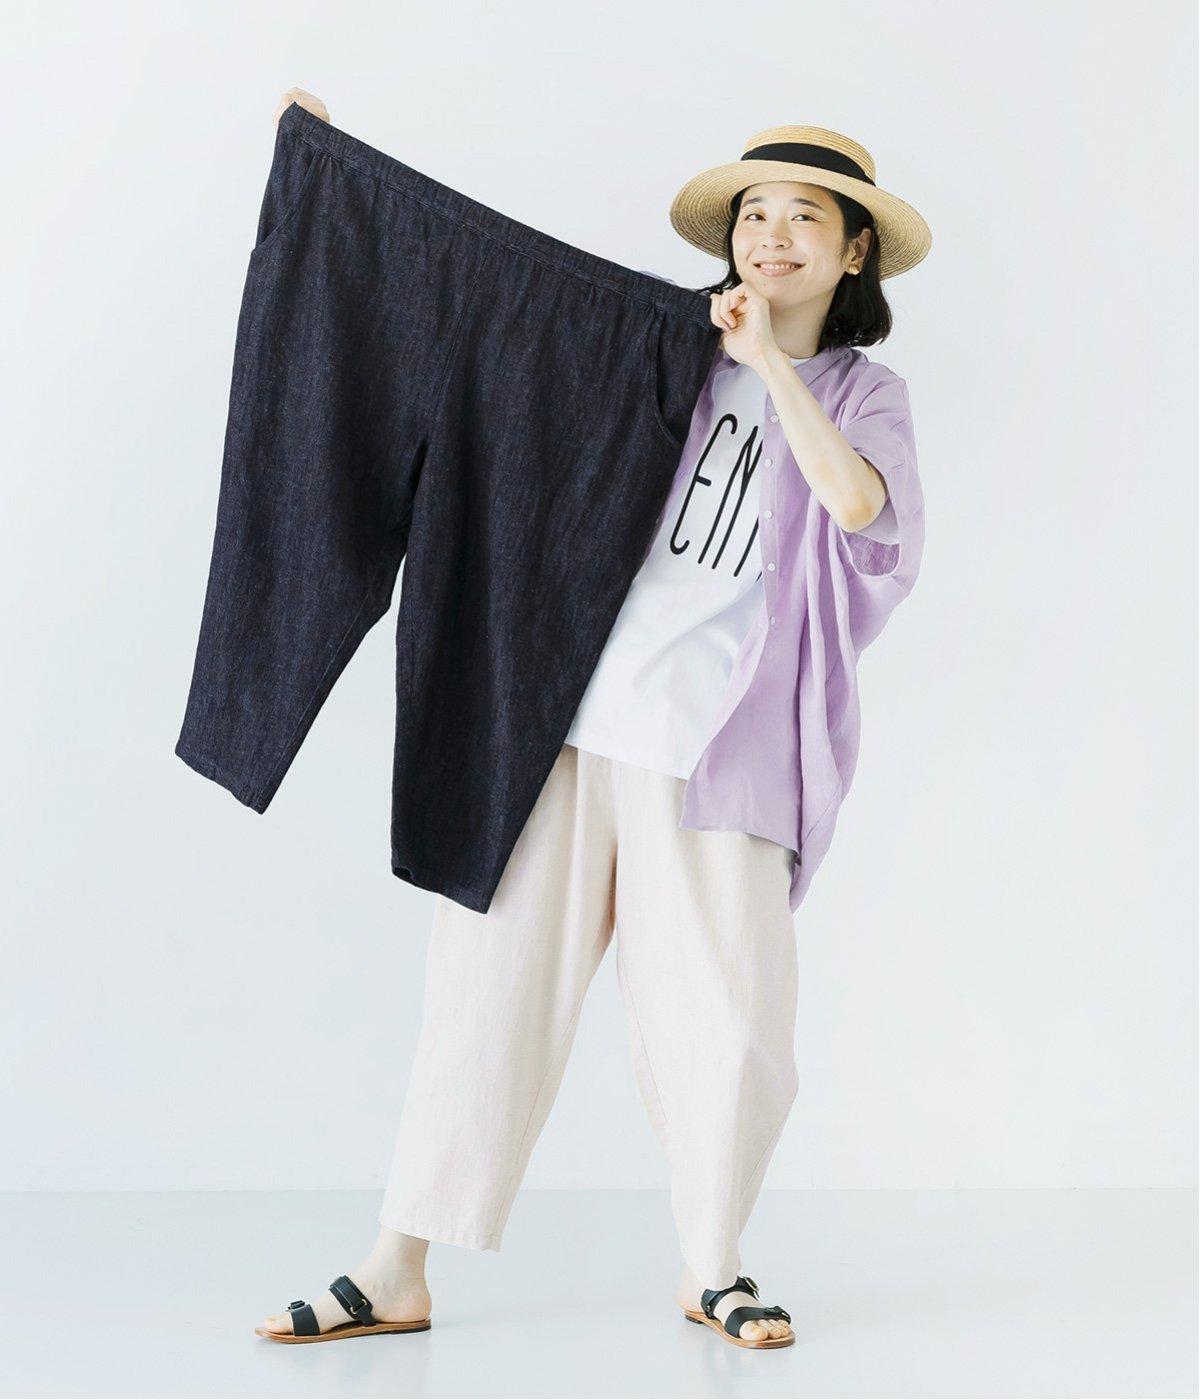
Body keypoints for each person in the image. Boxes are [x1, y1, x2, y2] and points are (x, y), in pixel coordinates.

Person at [255, 89, 930, 1352]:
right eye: (755, 214)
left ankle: (714, 1265)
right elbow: (484, 311)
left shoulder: (862, 393)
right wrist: (333, 173)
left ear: (854, 252)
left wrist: (769, 367)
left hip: (718, 754)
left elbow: (856, 508)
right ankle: (397, 1265)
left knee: (728, 1021)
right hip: (561, 725)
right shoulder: (656, 344)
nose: (773, 236)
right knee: (485, 991)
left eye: (806, 218)